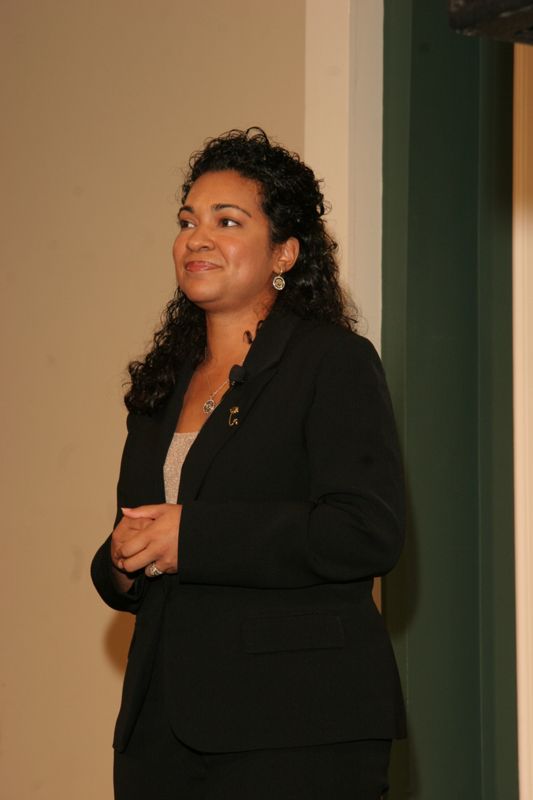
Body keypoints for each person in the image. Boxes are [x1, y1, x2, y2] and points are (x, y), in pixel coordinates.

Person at [91, 128, 406, 800]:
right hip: (161, 731)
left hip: (296, 725)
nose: (194, 239)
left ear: (283, 253)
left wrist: (192, 538)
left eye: (226, 221)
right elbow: (147, 528)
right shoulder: (162, 383)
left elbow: (363, 530)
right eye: (186, 222)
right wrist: (119, 562)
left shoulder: (330, 363)